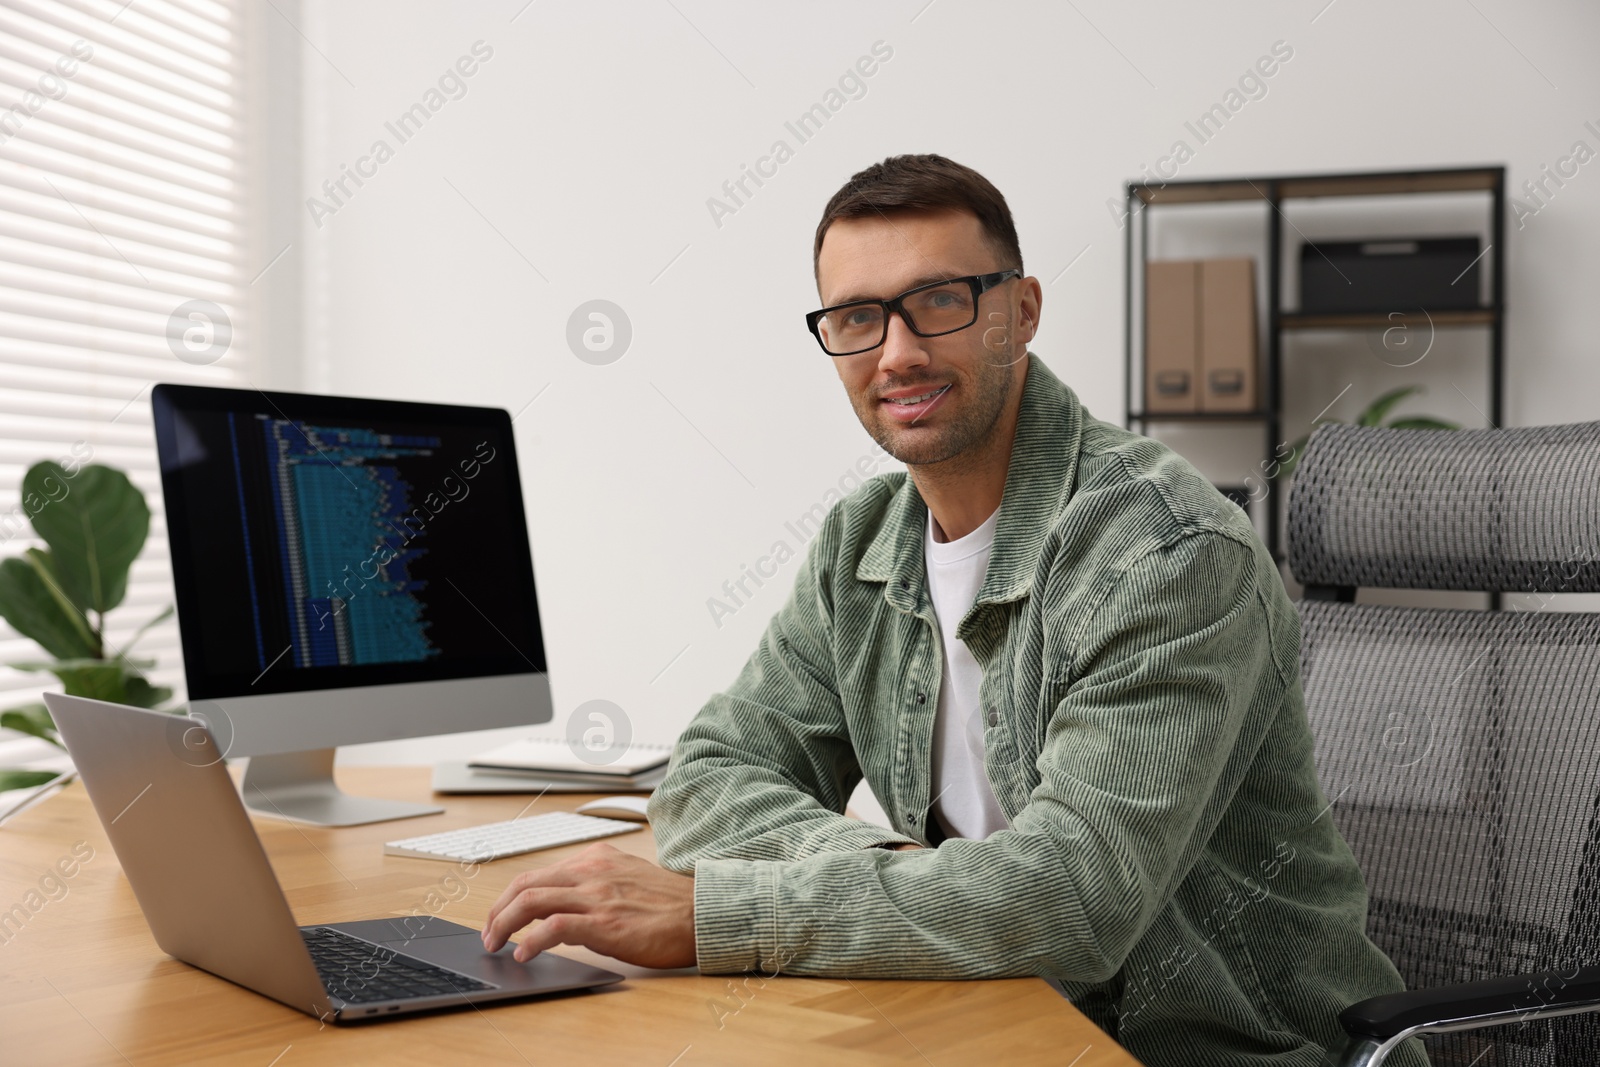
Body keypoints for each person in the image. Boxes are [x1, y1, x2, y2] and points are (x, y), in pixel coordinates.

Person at [482, 154, 1427, 1067]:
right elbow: (708, 774)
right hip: (976, 1018)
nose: (896, 353)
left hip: (1220, 1049)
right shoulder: (862, 542)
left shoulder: (1166, 553)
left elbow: (1070, 906)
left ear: (1020, 313)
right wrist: (914, 874)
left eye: (938, 301)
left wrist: (725, 911)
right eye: (857, 317)